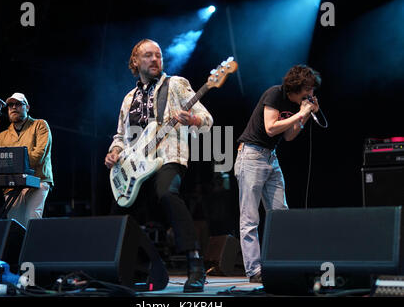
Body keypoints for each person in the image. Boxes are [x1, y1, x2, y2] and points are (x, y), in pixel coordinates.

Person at [105, 39, 213, 293]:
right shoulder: (128, 98)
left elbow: (207, 119)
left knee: (167, 193)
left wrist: (192, 119)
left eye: (158, 55)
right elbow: (120, 136)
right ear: (135, 62)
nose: (155, 60)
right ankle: (125, 267)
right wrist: (114, 152)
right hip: (134, 167)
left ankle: (195, 263)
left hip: (168, 157)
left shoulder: (176, 85)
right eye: (148, 56)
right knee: (119, 207)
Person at [234, 65, 321, 283]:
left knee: (281, 214)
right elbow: (271, 127)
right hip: (252, 155)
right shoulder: (275, 93)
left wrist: (306, 115)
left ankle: (284, 264)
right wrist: (301, 113)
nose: (311, 94)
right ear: (297, 86)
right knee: (250, 218)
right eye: (308, 89)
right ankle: (254, 271)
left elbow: (290, 135)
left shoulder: (295, 105)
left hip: (271, 157)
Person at [0, 92, 53, 228]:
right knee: (14, 227)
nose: (13, 107)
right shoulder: (2, 136)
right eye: (10, 105)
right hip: (12, 186)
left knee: (31, 221)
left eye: (18, 104)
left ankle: (33, 248)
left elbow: (38, 155)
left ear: (27, 107)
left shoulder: (40, 125)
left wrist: (13, 163)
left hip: (38, 180)